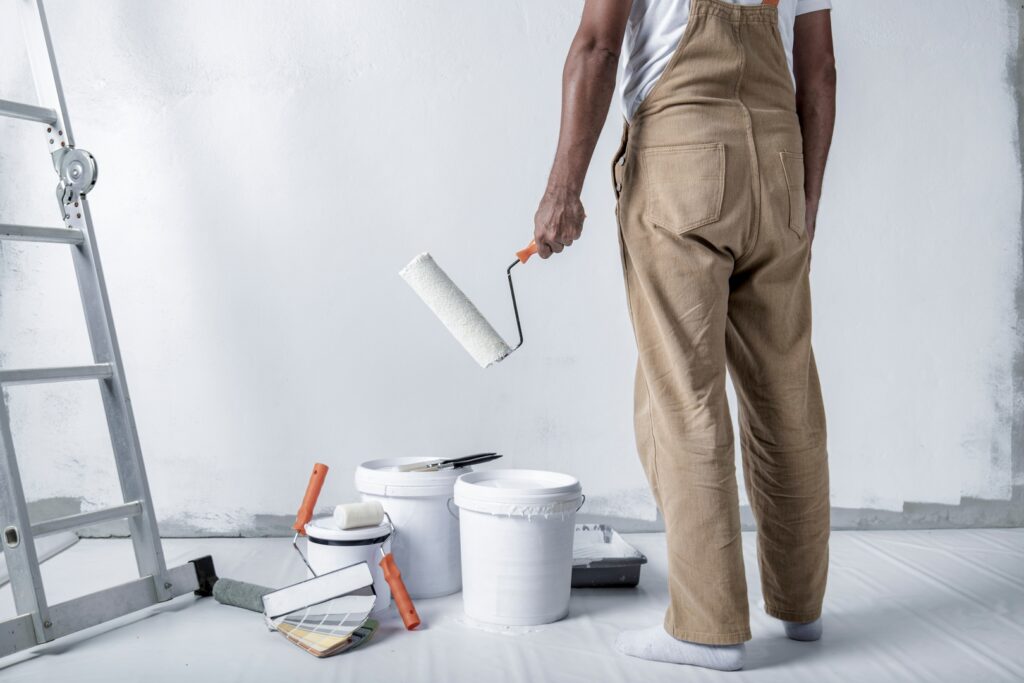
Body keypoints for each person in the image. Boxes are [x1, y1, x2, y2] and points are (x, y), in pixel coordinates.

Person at [533, 0, 836, 671]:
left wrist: (563, 186)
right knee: (786, 388)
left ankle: (708, 627)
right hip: (780, 158)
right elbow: (818, 70)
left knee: (683, 393)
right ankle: (801, 605)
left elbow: (596, 46)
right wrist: (806, 198)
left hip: (683, 157)